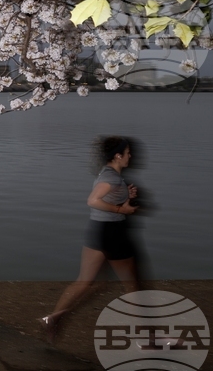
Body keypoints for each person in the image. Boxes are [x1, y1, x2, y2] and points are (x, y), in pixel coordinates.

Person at [40, 136, 140, 342]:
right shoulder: (110, 178)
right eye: (128, 152)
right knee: (132, 287)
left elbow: (105, 196)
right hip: (113, 234)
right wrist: (122, 209)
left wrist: (123, 195)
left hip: (98, 231)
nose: (131, 155)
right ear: (118, 155)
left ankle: (52, 318)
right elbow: (93, 200)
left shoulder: (108, 175)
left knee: (85, 282)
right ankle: (145, 338)